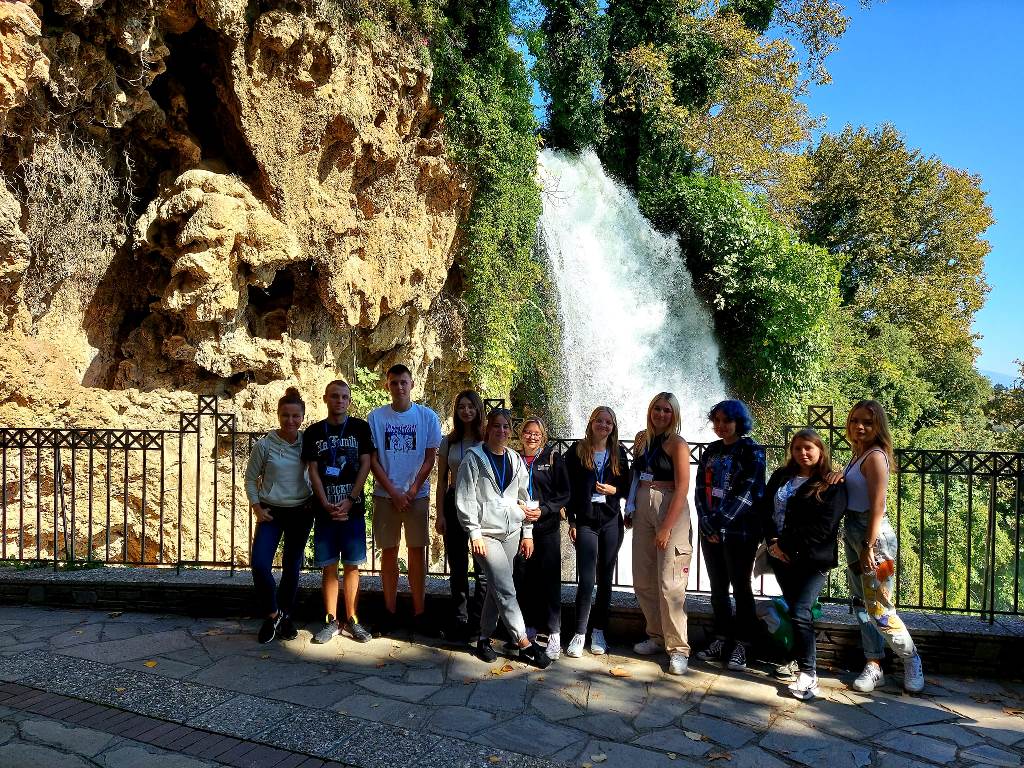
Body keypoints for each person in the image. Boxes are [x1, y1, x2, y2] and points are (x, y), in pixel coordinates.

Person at [455, 408, 551, 668]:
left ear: (511, 431)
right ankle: (524, 643)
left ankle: (483, 638)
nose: (501, 431)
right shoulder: (474, 458)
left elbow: (524, 497)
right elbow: (465, 498)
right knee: (506, 588)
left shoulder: (514, 459)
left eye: (506, 426)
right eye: (496, 426)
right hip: (486, 534)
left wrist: (527, 533)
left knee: (496, 588)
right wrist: (474, 532)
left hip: (511, 532)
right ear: (488, 428)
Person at [840, 400, 924, 693]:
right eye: (855, 421)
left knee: (880, 606)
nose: (859, 427)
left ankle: (911, 659)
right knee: (861, 603)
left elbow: (877, 507)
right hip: (854, 534)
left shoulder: (875, 456)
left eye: (867, 422)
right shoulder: (857, 454)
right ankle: (874, 664)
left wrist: (868, 546)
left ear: (878, 426)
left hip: (875, 540)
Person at [761, 429, 847, 699]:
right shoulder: (781, 476)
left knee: (800, 611)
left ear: (821, 450)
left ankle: (809, 674)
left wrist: (784, 545)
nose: (803, 453)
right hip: (780, 557)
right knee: (795, 611)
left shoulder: (831, 484)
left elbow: (824, 527)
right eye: (798, 448)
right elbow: (765, 510)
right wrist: (772, 543)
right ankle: (797, 661)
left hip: (811, 559)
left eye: (809, 448)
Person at [368, 364, 442, 634]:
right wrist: (393, 492)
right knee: (388, 552)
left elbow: (430, 458)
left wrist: (411, 491)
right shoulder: (376, 417)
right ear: (387, 385)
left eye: (403, 382)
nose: (399, 387)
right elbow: (373, 460)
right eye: (394, 382)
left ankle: (419, 612)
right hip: (385, 495)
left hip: (416, 496)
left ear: (412, 384)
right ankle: (389, 611)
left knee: (417, 551)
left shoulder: (427, 417)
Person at [694, 399, 766, 671]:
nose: (721, 426)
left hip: (740, 531)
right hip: (711, 530)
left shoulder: (752, 451)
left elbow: (748, 493)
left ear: (739, 422)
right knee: (718, 588)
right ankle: (721, 638)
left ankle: (743, 644)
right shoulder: (711, 450)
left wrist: (717, 524)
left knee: (741, 587)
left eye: (727, 420)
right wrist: (706, 523)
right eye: (717, 421)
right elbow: (699, 490)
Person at [627, 392, 694, 675]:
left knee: (670, 582)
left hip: (670, 507)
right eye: (657, 408)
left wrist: (667, 526)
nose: (661, 414)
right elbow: (636, 475)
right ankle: (656, 636)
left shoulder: (678, 444)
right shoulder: (642, 439)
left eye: (667, 410)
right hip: (643, 504)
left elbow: (683, 487)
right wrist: (630, 506)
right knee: (643, 578)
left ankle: (678, 648)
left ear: (674, 414)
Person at [303, 380, 374, 644]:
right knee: (329, 566)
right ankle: (331, 620)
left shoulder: (360, 428)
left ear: (349, 400)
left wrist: (351, 499)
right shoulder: (313, 432)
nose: (340, 401)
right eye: (334, 396)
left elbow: (366, 463)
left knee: (352, 565)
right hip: (325, 511)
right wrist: (324, 502)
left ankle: (352, 619)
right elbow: (312, 470)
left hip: (352, 510)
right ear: (325, 398)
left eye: (344, 397)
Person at [246, 387, 314, 644]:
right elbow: (251, 479)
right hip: (271, 512)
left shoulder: (308, 443)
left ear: (302, 417)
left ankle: (286, 616)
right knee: (260, 564)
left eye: (296, 416)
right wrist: (257, 507)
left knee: (291, 566)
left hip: (301, 511)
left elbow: (317, 474)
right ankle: (273, 614)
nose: (290, 421)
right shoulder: (264, 445)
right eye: (285, 415)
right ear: (278, 415)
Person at [563, 406, 630, 659]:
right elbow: (568, 487)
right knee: (586, 579)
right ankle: (579, 632)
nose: (603, 425)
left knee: (605, 578)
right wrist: (571, 521)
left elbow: (628, 486)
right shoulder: (577, 451)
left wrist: (615, 491)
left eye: (608, 422)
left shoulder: (618, 453)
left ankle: (599, 631)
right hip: (586, 522)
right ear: (591, 423)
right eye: (599, 421)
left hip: (611, 521)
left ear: (613, 427)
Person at [514, 417, 571, 659]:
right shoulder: (514, 458)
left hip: (546, 526)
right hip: (520, 528)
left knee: (549, 580)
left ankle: (554, 632)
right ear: (521, 434)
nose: (532, 436)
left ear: (543, 436)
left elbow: (564, 493)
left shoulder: (553, 458)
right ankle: (530, 627)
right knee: (525, 578)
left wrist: (545, 510)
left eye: (536, 433)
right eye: (528, 432)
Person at [435, 390, 486, 642]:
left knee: (482, 568)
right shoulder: (449, 441)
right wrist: (440, 514)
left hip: (480, 506)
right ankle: (459, 619)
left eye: (471, 407)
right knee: (457, 567)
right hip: (454, 502)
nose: (466, 411)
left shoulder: (486, 440)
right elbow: (441, 480)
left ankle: (478, 623)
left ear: (478, 410)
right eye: (461, 407)